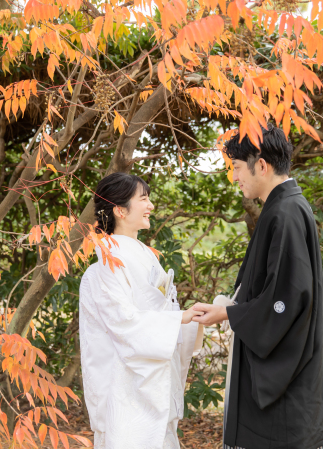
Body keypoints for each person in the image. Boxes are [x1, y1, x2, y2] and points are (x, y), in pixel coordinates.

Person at [191, 126, 323, 449]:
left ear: (261, 166)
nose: (235, 177)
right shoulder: (283, 208)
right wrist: (230, 310)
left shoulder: (285, 213)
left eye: (238, 168)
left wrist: (229, 313)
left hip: (286, 393)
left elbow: (286, 300)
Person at [79, 173, 202, 449]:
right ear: (120, 210)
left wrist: (192, 321)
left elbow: (165, 312)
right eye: (143, 199)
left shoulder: (144, 255)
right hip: (125, 396)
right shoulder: (103, 267)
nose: (151, 206)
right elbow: (124, 323)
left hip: (152, 384)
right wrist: (178, 319)